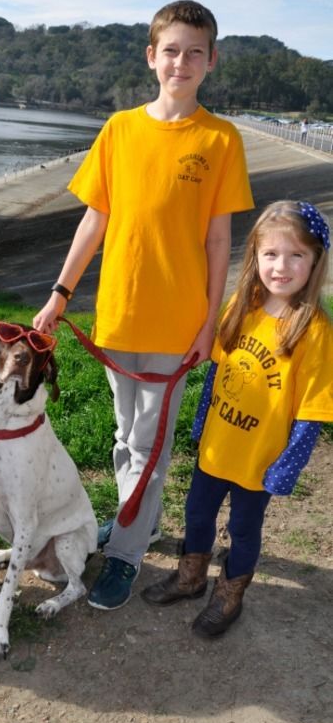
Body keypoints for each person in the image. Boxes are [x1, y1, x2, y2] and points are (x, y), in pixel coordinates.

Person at [33, 0, 254, 611]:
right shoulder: (120, 129)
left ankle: (126, 554)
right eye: (171, 50)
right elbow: (94, 219)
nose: (181, 61)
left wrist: (210, 323)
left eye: (194, 51)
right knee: (128, 436)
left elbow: (218, 241)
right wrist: (59, 293)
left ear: (212, 61)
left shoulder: (220, 138)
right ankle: (142, 525)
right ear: (151, 56)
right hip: (118, 315)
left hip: (176, 324)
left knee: (152, 446)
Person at [142, 201, 333, 636]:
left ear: (315, 261)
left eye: (296, 255)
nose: (281, 266)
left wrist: (288, 466)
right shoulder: (241, 306)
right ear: (255, 256)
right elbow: (218, 369)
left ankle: (229, 595)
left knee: (244, 528)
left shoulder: (315, 332)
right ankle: (190, 577)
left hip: (259, 460)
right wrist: (200, 422)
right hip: (217, 445)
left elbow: (312, 411)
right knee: (196, 513)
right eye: (271, 254)